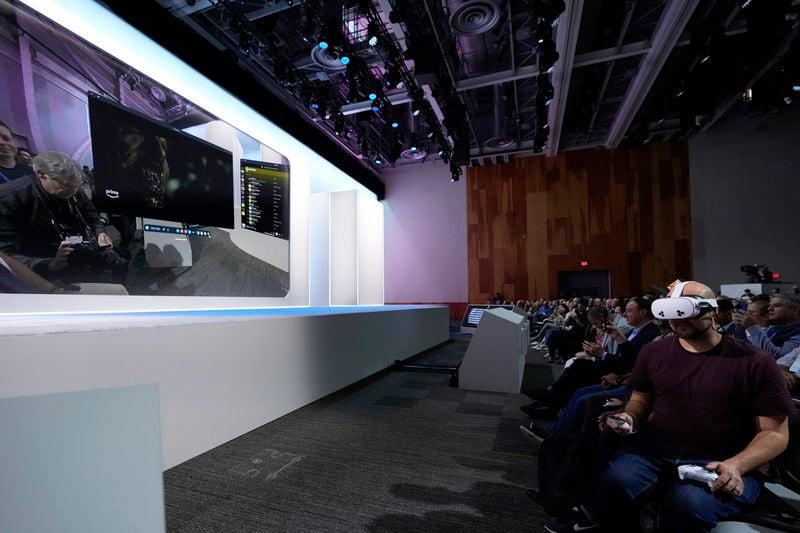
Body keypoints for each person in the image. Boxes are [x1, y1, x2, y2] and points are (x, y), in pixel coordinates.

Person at [547, 281, 796, 532]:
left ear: (712, 311)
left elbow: (774, 433)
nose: (678, 320)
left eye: (687, 311)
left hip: (723, 459)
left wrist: (738, 464)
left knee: (688, 504)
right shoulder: (654, 353)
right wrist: (629, 417)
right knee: (614, 483)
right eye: (671, 313)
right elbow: (640, 400)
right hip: (656, 450)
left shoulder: (754, 362)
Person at [0, 151, 127, 286]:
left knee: (120, 264)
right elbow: (6, 255)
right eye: (67, 187)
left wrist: (100, 232)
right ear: (42, 175)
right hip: (47, 263)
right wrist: (50, 264)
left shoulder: (73, 187)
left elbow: (92, 215)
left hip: (81, 245)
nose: (73, 193)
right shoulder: (8, 198)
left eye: (77, 188)